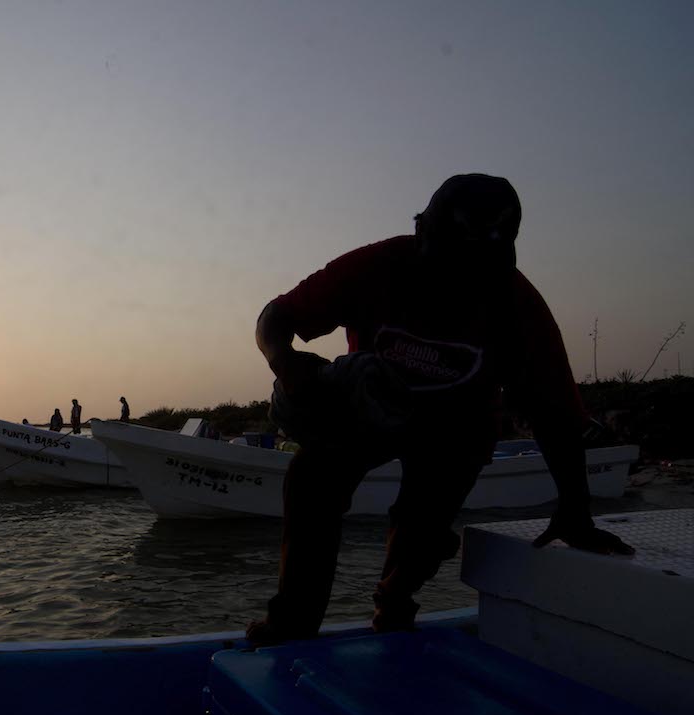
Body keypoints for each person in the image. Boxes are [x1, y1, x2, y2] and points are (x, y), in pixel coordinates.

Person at [249, 173, 635, 644]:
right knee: (311, 480)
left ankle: (394, 608)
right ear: (420, 233)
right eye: (449, 260)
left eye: (479, 265)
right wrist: (284, 362)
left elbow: (554, 413)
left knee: (422, 529)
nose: (461, 276)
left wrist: (575, 510)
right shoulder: (376, 265)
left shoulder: (518, 302)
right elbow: (275, 317)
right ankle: (292, 623)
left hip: (460, 428)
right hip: (368, 411)